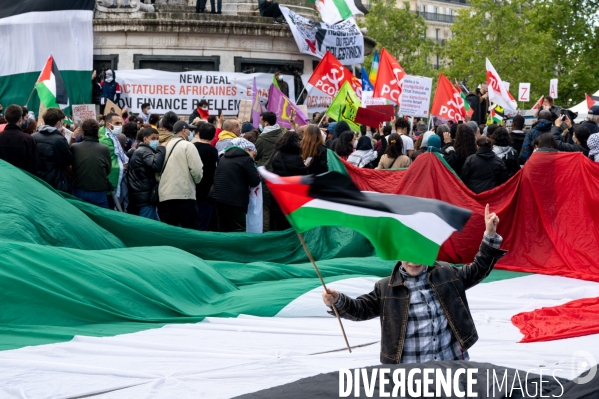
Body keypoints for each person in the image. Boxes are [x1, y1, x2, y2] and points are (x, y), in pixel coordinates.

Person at [323, 204, 505, 364]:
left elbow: (478, 269)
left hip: (451, 364)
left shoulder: (446, 274)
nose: (413, 261)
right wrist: (338, 300)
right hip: (410, 374)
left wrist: (489, 235)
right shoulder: (386, 288)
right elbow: (360, 309)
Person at [158, 119, 203, 229]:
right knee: (190, 231)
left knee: (170, 232)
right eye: (189, 130)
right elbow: (197, 170)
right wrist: (197, 181)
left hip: (165, 196)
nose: (191, 133)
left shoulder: (163, 146)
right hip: (185, 194)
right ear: (183, 131)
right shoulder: (188, 146)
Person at [209, 138, 261, 232]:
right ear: (247, 149)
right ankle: (238, 247)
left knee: (223, 228)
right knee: (239, 229)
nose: (253, 159)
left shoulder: (224, 157)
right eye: (253, 155)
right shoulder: (246, 159)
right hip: (235, 199)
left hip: (217, 197)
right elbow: (255, 181)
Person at [70, 119, 112, 208]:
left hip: (79, 189)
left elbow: (69, 164)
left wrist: (73, 138)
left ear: (83, 132)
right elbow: (108, 170)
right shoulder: (104, 148)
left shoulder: (75, 147)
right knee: (102, 219)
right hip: (98, 190)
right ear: (97, 132)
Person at [271, 131, 308, 230]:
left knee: (280, 225)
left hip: (278, 195)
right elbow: (305, 177)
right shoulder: (296, 159)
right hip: (291, 196)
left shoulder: (276, 156)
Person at [127, 127, 166, 220]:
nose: (156, 141)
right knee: (147, 226)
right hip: (145, 197)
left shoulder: (142, 150)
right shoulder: (144, 151)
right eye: (153, 139)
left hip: (143, 196)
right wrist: (161, 149)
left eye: (157, 139)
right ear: (145, 139)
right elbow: (156, 165)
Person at [32, 108, 74, 192]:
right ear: (58, 123)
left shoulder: (33, 136)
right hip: (55, 180)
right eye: (62, 122)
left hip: (37, 178)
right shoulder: (59, 140)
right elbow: (66, 161)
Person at [255, 111, 283, 232]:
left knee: (265, 209)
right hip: (279, 175)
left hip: (265, 176)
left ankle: (266, 235)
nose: (260, 124)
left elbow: (256, 154)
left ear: (266, 123)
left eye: (261, 121)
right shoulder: (283, 134)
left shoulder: (262, 139)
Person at [193, 123, 219, 230]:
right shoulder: (212, 150)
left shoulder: (192, 147)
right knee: (204, 221)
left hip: (192, 188)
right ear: (213, 136)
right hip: (207, 190)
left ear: (198, 134)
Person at [99, 113, 129, 204]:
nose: (120, 126)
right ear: (108, 125)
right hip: (108, 183)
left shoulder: (113, 137)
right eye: (117, 123)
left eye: (121, 123)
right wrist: (120, 166)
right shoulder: (104, 139)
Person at [0, 104, 38, 174]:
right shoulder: (29, 140)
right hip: (23, 180)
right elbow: (34, 166)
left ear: (5, 118)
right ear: (20, 118)